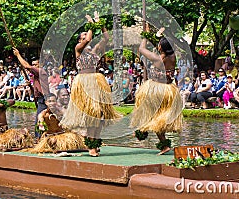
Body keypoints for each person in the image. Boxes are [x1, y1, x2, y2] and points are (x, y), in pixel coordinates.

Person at [60, 11, 121, 157]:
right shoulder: (78, 49)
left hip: (96, 82)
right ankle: (91, 146)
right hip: (84, 83)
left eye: (84, 37)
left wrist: (101, 24)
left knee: (99, 115)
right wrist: (92, 25)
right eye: (81, 38)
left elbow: (106, 38)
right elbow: (88, 38)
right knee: (90, 115)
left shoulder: (94, 50)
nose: (84, 39)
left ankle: (94, 142)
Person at [130, 30, 183, 155]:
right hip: (168, 89)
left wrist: (146, 36)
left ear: (161, 47)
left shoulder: (158, 59)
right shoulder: (172, 57)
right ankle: (149, 135)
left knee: (148, 112)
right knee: (157, 117)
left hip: (156, 90)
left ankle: (141, 131)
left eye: (159, 44)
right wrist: (158, 37)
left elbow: (142, 49)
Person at [13, 47, 49, 137]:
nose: (34, 66)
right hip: (40, 100)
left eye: (36, 65)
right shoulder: (34, 76)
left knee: (40, 121)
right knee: (40, 120)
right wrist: (30, 85)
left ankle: (40, 139)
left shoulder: (41, 71)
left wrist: (18, 55)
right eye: (33, 64)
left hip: (45, 99)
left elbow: (27, 66)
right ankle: (40, 138)